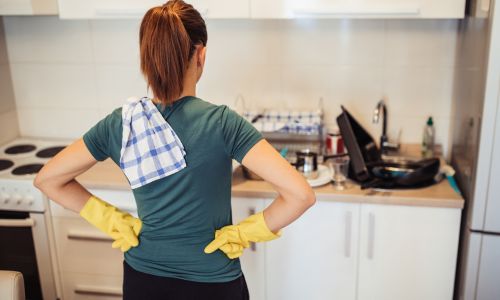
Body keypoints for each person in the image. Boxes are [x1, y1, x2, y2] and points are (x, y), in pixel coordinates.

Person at [34, 1, 316, 299]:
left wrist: (110, 219)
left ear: (147, 58)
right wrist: (246, 232)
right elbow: (300, 194)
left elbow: (47, 179)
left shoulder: (123, 123)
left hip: (143, 280)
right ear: (201, 55)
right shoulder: (222, 122)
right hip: (213, 282)